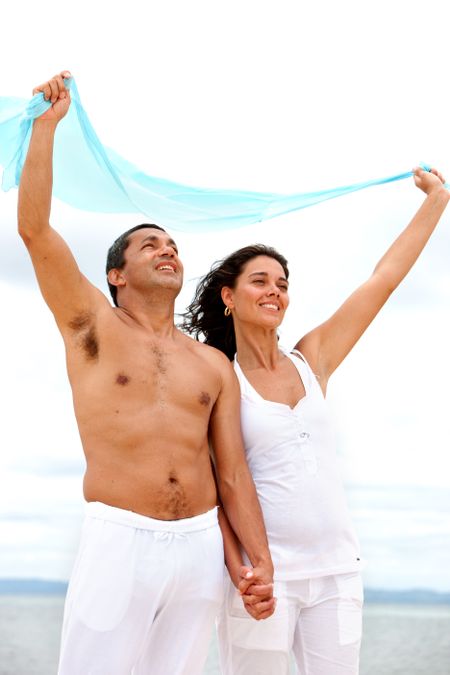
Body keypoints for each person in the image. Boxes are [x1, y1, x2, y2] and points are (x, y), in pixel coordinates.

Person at [17, 71, 275, 675]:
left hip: (198, 549)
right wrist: (46, 129)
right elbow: (34, 230)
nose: (167, 250)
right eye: (150, 245)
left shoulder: (214, 364)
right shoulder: (92, 328)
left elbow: (232, 470)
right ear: (117, 275)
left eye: (172, 245)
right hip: (119, 538)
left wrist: (258, 563)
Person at [182, 167, 449, 674]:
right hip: (265, 577)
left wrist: (436, 200)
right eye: (259, 281)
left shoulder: (312, 359)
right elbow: (217, 487)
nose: (273, 291)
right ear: (228, 296)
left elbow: (383, 279)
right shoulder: (218, 378)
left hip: (337, 576)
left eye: (281, 284)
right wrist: (242, 570)